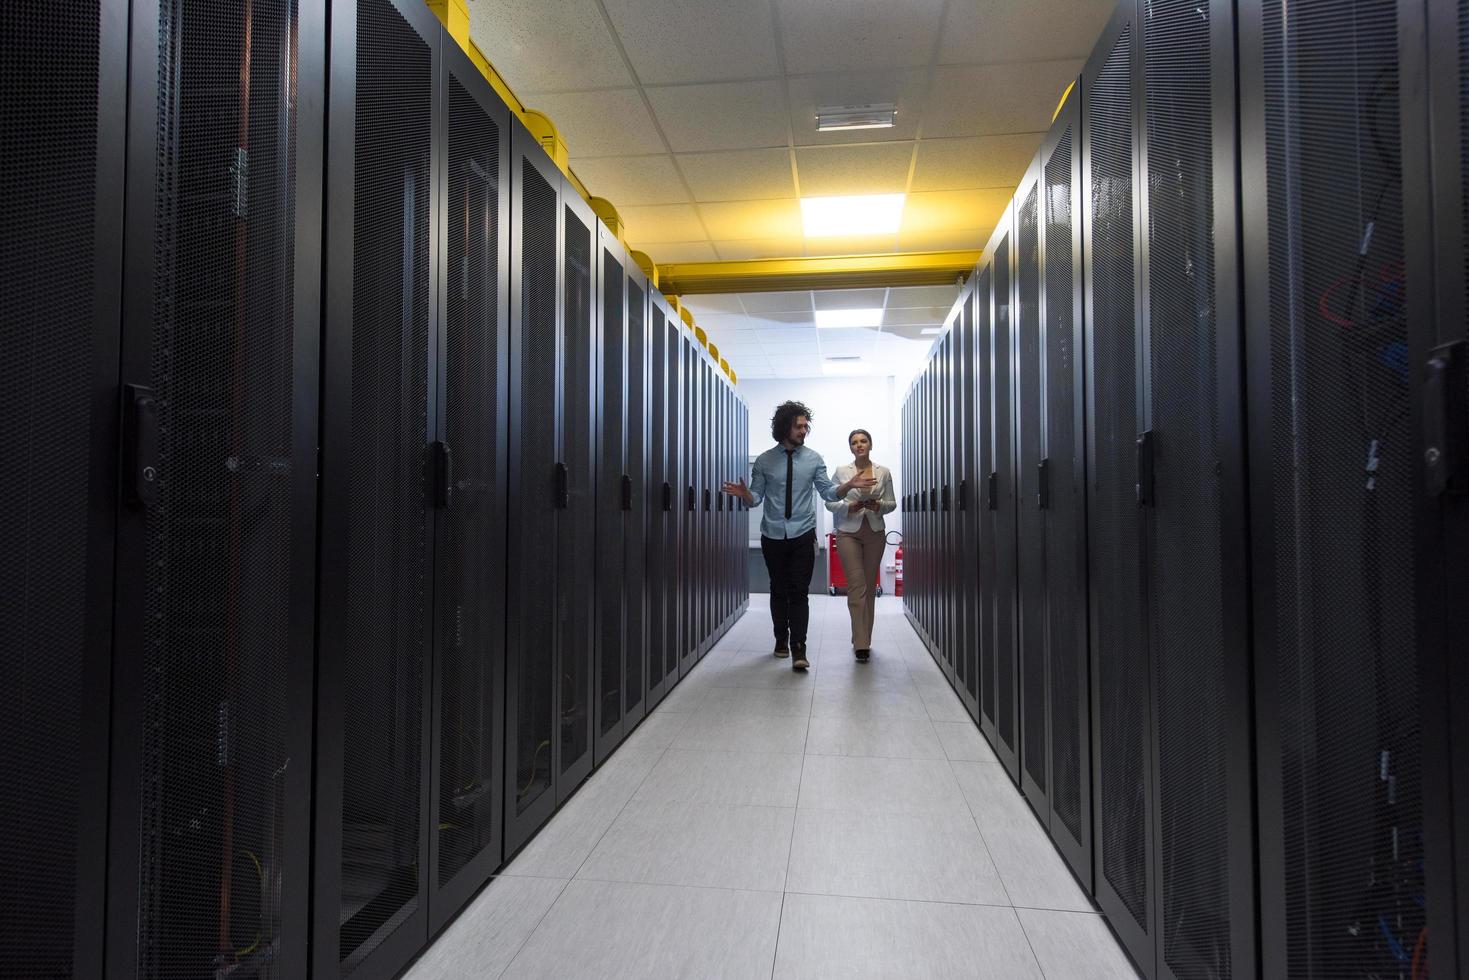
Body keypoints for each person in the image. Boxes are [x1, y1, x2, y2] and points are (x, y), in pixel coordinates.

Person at [722, 401, 876, 672]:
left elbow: (828, 493)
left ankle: (799, 648)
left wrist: (848, 485)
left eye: (806, 426)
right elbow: (756, 498)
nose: (804, 430)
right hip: (772, 535)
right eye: (799, 426)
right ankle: (780, 638)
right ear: (785, 427)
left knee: (799, 592)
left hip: (803, 534)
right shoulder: (765, 461)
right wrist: (746, 495)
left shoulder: (814, 458)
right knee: (778, 590)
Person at [826, 429, 896, 662]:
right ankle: (862, 644)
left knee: (868, 586)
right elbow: (830, 502)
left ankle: (863, 637)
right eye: (854, 442)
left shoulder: (883, 472)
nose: (859, 445)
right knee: (857, 586)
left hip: (875, 532)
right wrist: (848, 506)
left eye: (863, 441)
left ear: (870, 444)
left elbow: (892, 503)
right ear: (850, 447)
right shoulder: (841, 471)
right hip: (848, 532)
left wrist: (878, 506)